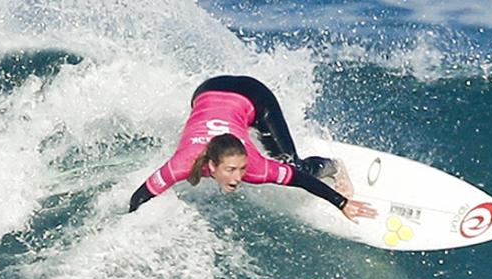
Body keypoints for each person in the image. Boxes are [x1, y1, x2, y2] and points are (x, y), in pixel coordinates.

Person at [129, 75, 376, 222]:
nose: (239, 178)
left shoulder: (257, 169)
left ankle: (334, 166)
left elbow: (300, 179)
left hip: (255, 96)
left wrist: (342, 203)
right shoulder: (182, 163)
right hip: (206, 90)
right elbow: (139, 196)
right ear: (212, 165)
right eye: (231, 170)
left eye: (241, 169)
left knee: (294, 164)